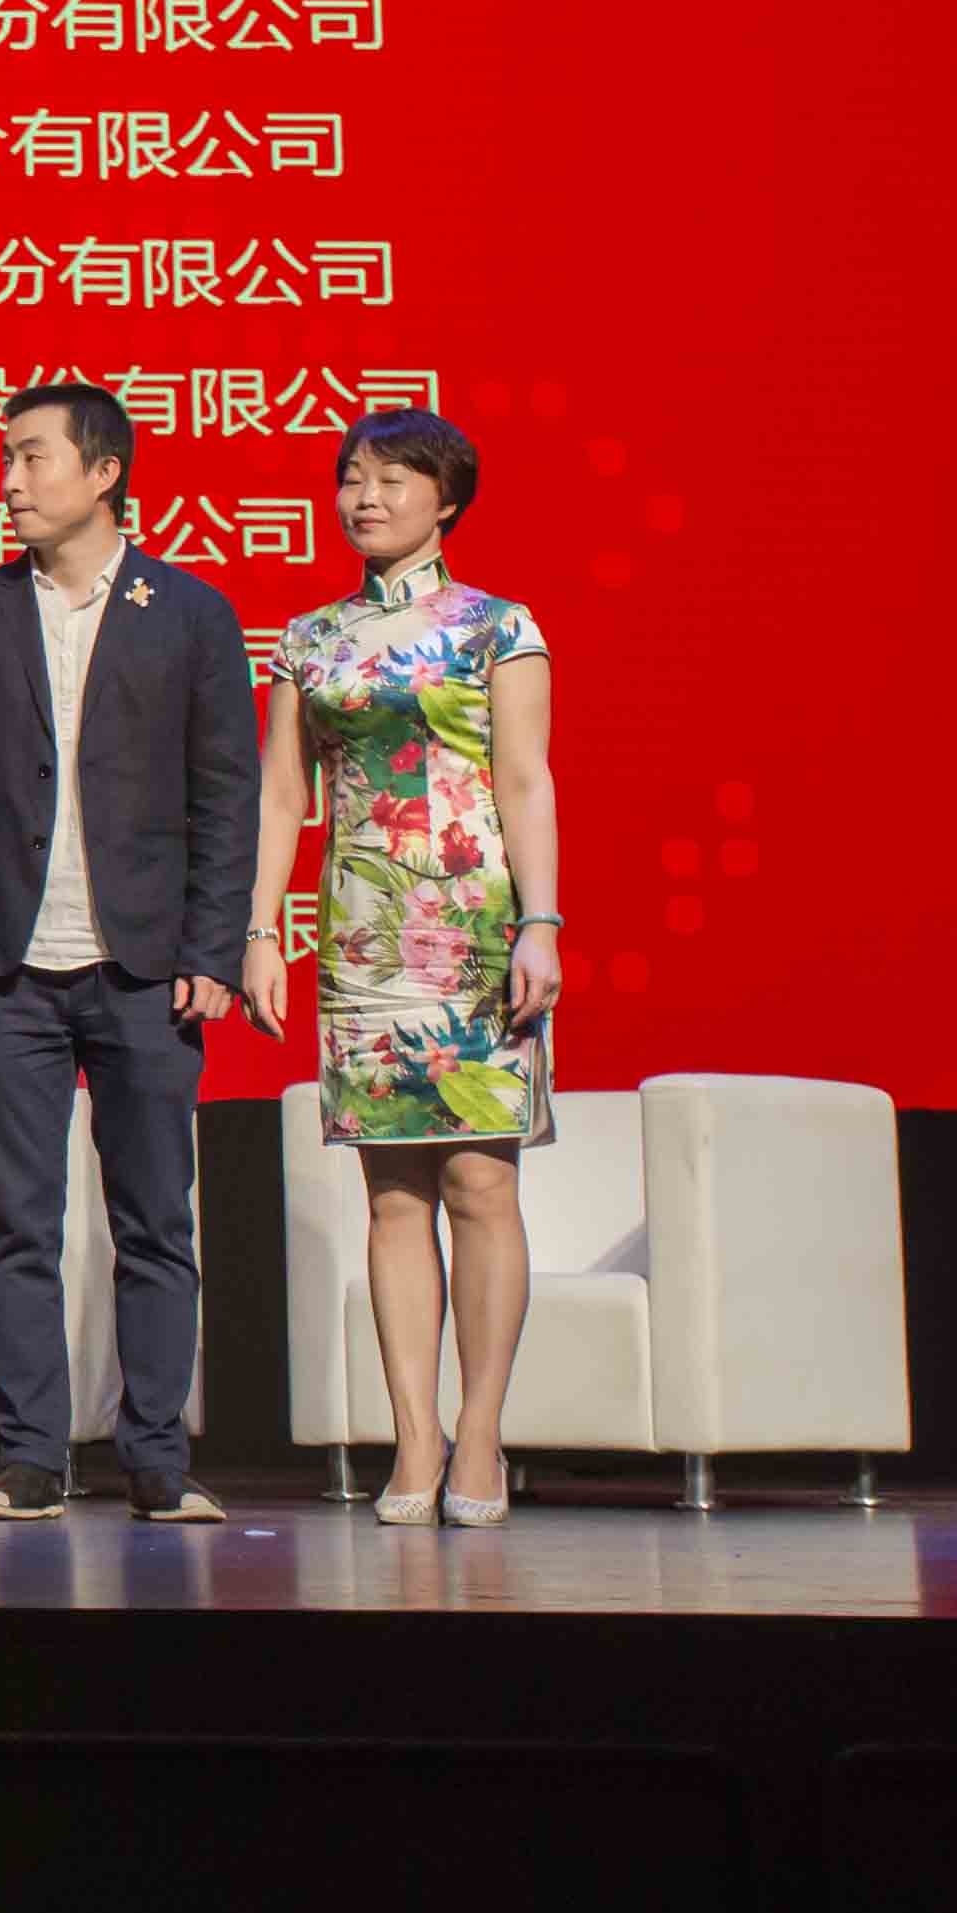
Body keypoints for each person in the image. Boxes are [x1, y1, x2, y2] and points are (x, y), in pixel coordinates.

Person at [0, 378, 259, 1523]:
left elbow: (226, 795)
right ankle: (30, 1458)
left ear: (104, 473)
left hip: (147, 968)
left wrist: (211, 945)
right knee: (17, 1221)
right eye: (4, 459)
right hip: (6, 966)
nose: (8, 481)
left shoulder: (189, 612)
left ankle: (156, 1458)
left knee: (155, 1220)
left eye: (31, 457)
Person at [244, 410, 561, 1527]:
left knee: (480, 1182)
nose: (363, 498)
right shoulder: (310, 638)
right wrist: (261, 929)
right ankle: (414, 1437)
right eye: (351, 479)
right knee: (392, 1194)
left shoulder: (495, 626)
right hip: (364, 935)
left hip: (473, 929)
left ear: (447, 500)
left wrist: (541, 921)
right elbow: (282, 794)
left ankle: (482, 1433)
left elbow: (524, 779)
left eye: (390, 479)